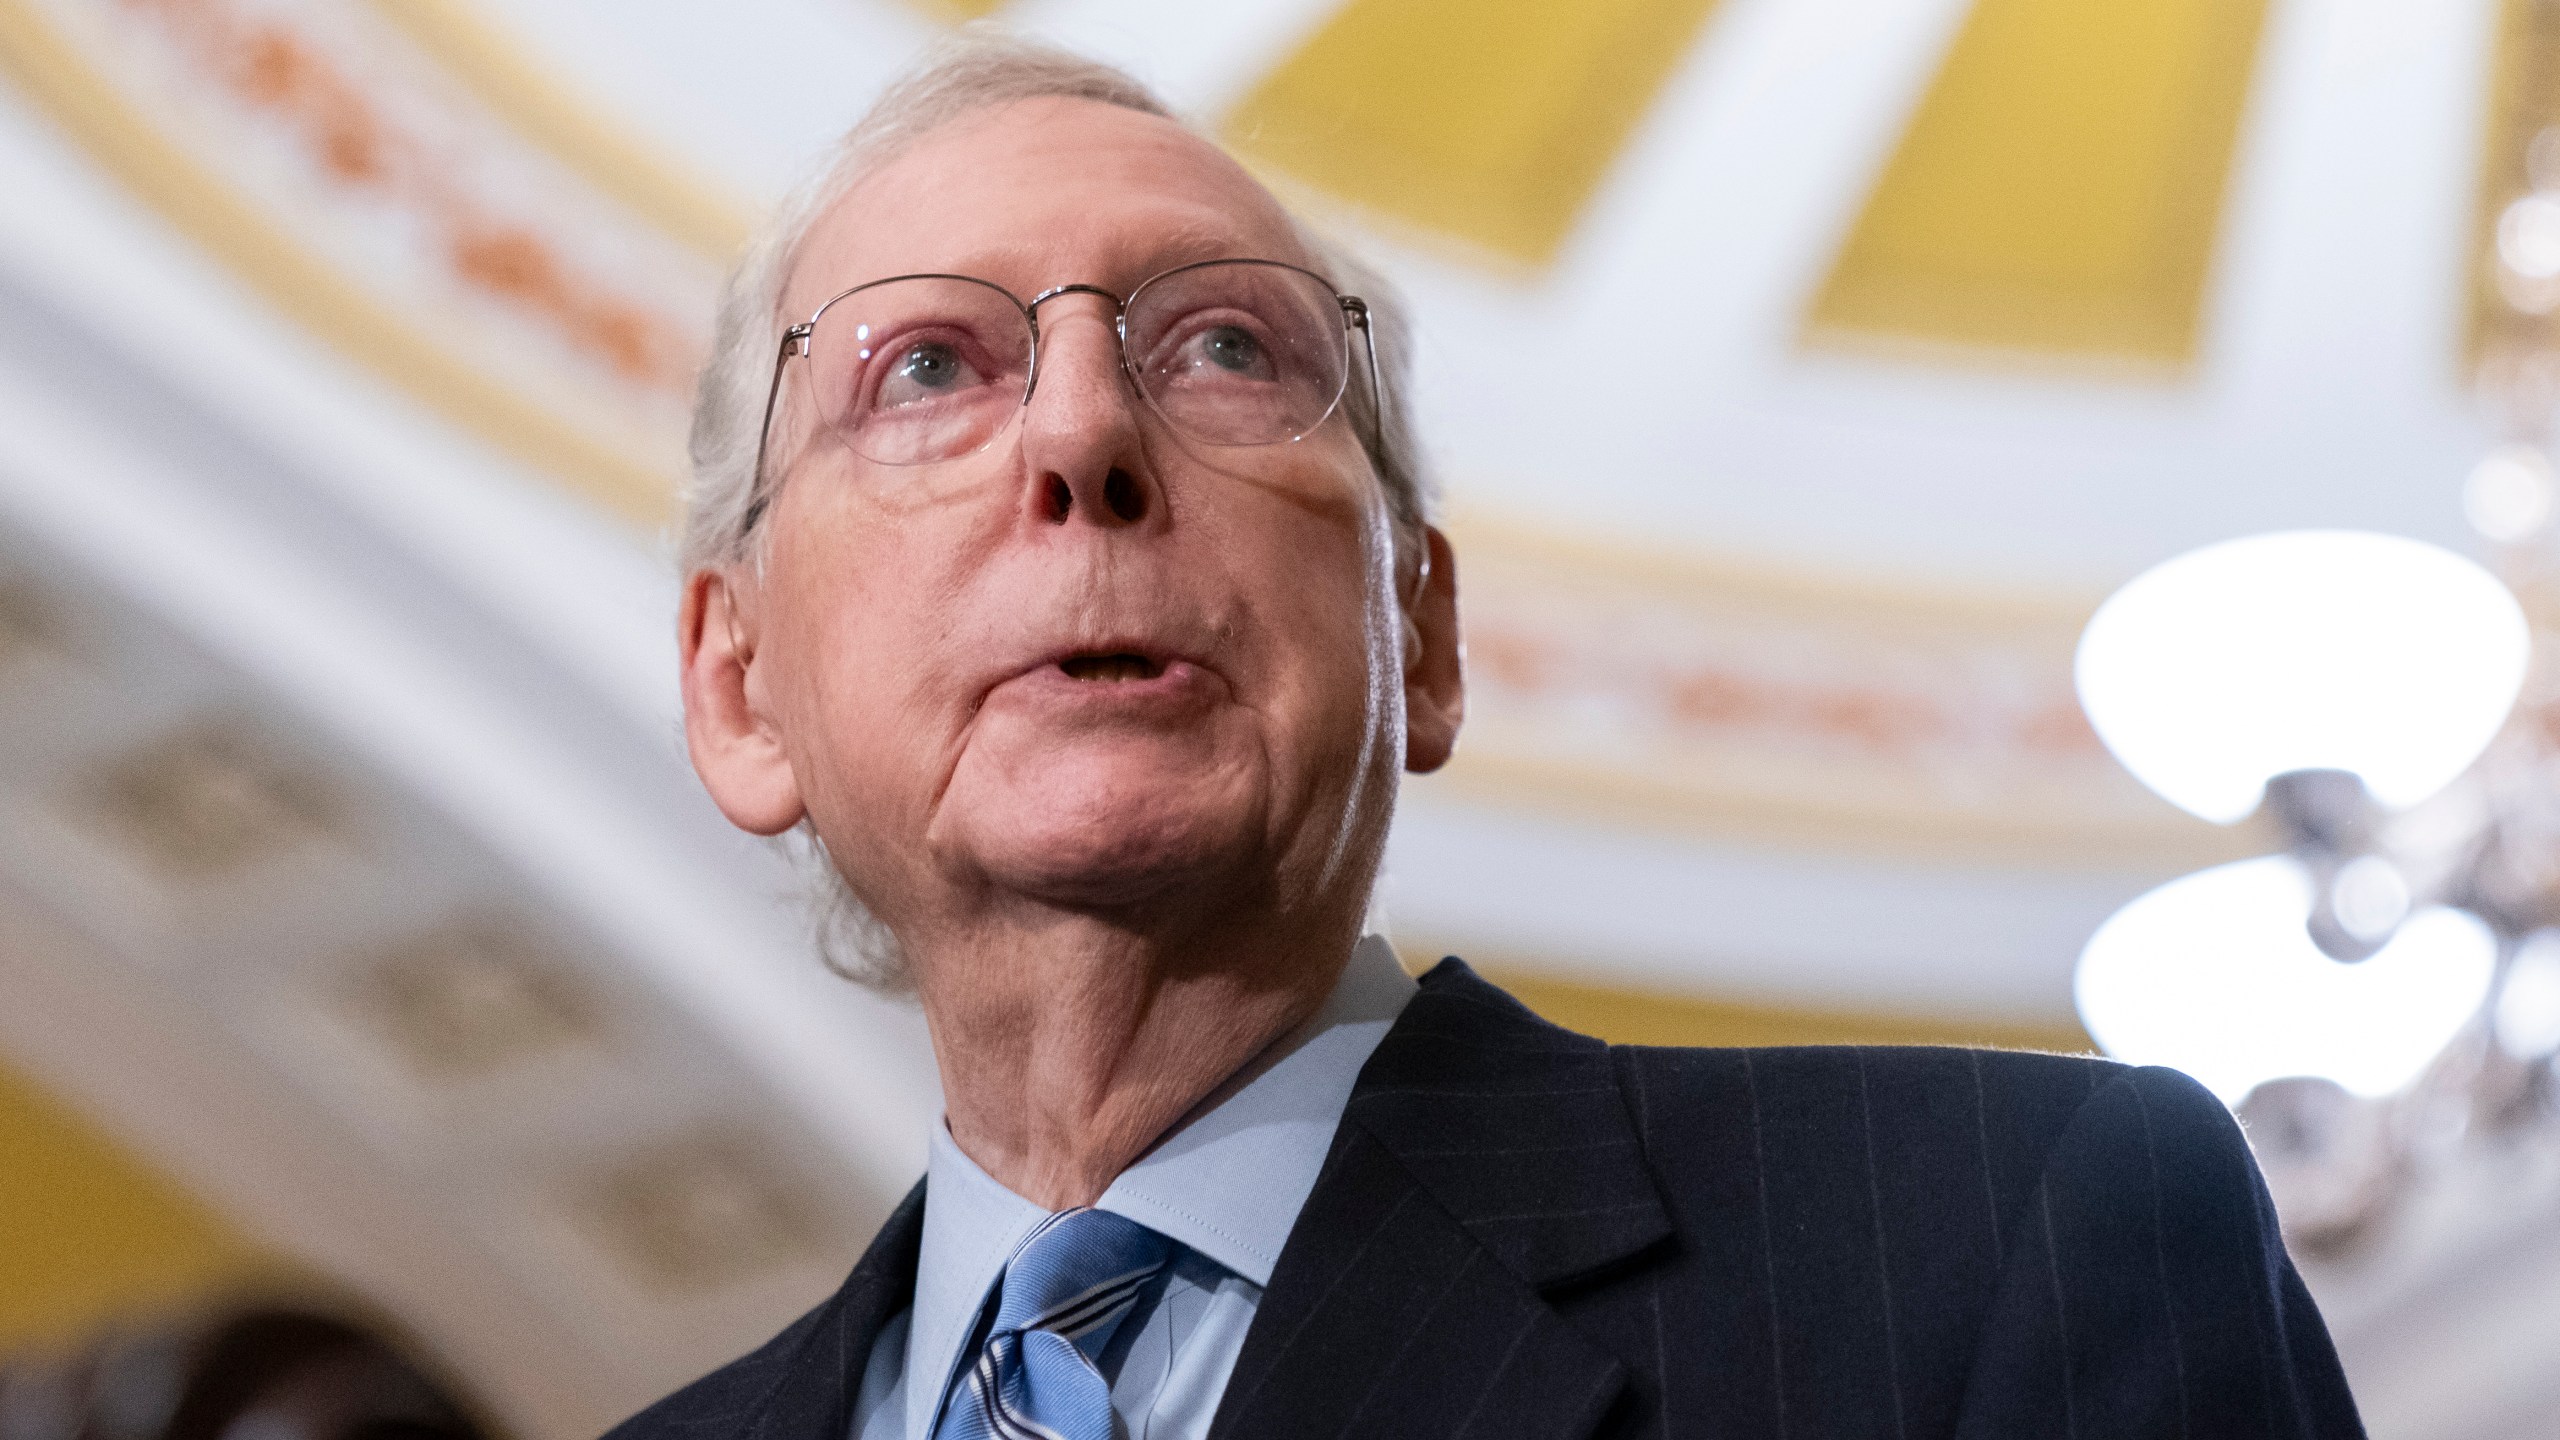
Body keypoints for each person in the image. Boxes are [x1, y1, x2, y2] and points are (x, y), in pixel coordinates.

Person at [611, 33, 2364, 1440]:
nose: (1083, 432)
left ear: (1423, 635)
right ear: (740, 689)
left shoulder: (2010, 1237)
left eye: (1222, 346)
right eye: (927, 368)